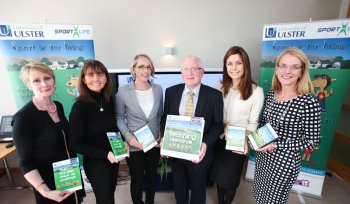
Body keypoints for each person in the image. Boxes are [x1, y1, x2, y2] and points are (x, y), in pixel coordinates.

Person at [252, 47, 321, 204]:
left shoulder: (308, 102)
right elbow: (264, 124)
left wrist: (277, 145)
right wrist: (254, 139)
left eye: (294, 67)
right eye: (283, 65)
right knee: (260, 196)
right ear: (277, 69)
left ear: (302, 72)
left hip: (284, 161)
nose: (287, 71)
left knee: (272, 200)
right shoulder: (271, 94)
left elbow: (312, 141)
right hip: (264, 156)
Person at [12, 62, 85, 203]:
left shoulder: (58, 106)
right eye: (36, 80)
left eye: (47, 78)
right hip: (48, 184)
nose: (44, 84)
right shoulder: (23, 118)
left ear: (54, 80)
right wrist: (45, 192)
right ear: (28, 85)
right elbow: (25, 163)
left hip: (70, 176)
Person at [160, 55, 224, 204]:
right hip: (176, 149)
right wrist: (165, 138)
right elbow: (165, 119)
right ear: (182, 72)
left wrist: (205, 144)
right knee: (179, 185)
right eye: (186, 69)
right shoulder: (170, 92)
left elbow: (217, 125)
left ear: (202, 72)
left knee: (198, 188)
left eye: (194, 69)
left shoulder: (214, 95)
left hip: (199, 152)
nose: (190, 73)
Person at [209, 46, 264, 204]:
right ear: (225, 66)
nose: (233, 68)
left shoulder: (256, 91)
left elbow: (253, 123)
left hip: (237, 142)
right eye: (229, 63)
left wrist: (244, 139)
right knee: (219, 177)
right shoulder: (218, 87)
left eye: (238, 63)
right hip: (218, 139)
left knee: (231, 180)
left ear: (245, 64)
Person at [69, 60, 125, 204]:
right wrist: (105, 154)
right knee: (105, 199)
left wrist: (122, 144)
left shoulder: (109, 100)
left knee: (110, 195)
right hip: (96, 163)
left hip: (114, 158)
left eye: (100, 74)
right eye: (90, 75)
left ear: (106, 77)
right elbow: (74, 144)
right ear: (84, 79)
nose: (96, 79)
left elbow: (113, 128)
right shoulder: (79, 106)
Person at [115, 54, 163, 204]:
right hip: (134, 144)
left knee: (152, 177)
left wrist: (161, 135)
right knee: (136, 179)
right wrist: (129, 138)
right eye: (141, 66)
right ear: (134, 70)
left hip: (154, 142)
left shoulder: (158, 89)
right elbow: (119, 118)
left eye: (148, 66)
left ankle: (150, 201)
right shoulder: (122, 91)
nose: (145, 70)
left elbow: (160, 115)